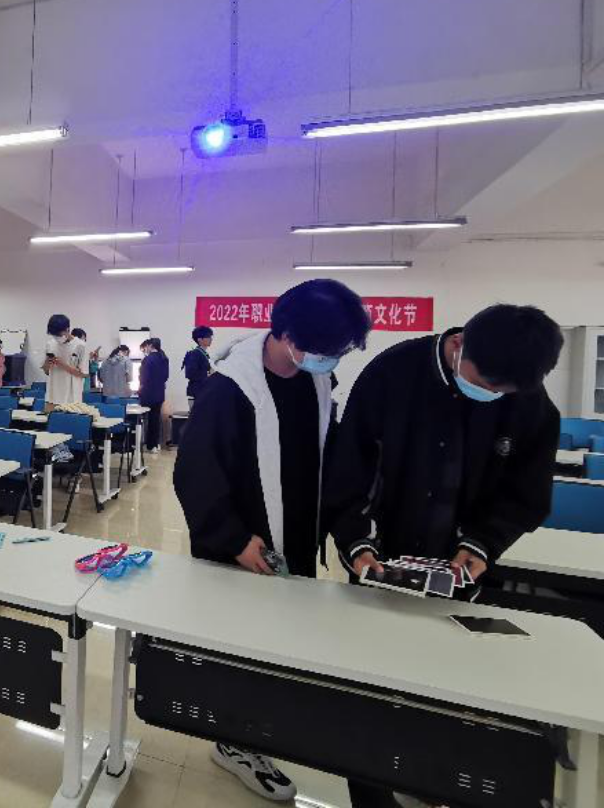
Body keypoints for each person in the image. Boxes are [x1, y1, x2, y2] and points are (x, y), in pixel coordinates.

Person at [321, 305, 561, 808]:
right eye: (485, 384)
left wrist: (482, 543)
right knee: (369, 693)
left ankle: (431, 784)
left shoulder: (529, 402)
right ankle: (371, 795)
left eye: (504, 391)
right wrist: (357, 542)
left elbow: (525, 494)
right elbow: (348, 468)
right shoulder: (393, 373)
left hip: (459, 578)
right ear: (459, 345)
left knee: (446, 693)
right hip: (379, 567)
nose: (492, 394)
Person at [173, 279, 371, 802]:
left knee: (276, 643)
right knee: (239, 647)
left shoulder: (315, 381)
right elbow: (195, 474)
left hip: (292, 536)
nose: (332, 360)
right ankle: (234, 742)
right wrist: (236, 539)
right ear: (287, 336)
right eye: (327, 350)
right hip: (239, 549)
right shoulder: (229, 389)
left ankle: (261, 726)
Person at [43, 314, 88, 408]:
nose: (57, 338)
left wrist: (62, 365)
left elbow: (84, 374)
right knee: (49, 417)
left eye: (59, 335)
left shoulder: (80, 346)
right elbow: (46, 371)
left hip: (72, 397)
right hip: (52, 396)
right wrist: (47, 364)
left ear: (68, 329)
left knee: (68, 417)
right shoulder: (50, 344)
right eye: (54, 335)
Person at [138, 338, 170, 450]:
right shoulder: (164, 358)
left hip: (148, 393)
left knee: (143, 419)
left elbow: (144, 377)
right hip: (159, 393)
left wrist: (141, 386)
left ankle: (145, 443)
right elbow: (166, 376)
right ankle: (155, 444)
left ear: (150, 346)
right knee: (155, 419)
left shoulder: (147, 359)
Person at [182, 325, 215, 407]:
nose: (211, 339)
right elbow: (189, 374)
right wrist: (208, 374)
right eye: (208, 337)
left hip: (203, 391)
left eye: (211, 337)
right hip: (197, 392)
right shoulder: (194, 354)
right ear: (200, 339)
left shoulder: (204, 354)